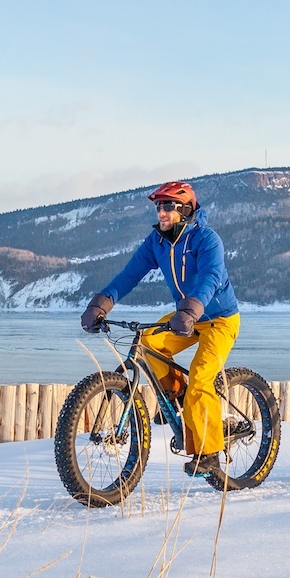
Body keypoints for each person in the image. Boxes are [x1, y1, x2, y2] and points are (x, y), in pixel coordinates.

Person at [80, 181, 239, 476]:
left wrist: (191, 310)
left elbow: (211, 278)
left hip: (218, 318)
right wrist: (100, 305)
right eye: (158, 207)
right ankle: (178, 394)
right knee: (148, 343)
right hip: (185, 316)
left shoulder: (207, 239)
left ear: (185, 209)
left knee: (202, 379)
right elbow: (129, 275)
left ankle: (210, 453)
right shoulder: (157, 242)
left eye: (168, 206)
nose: (161, 212)